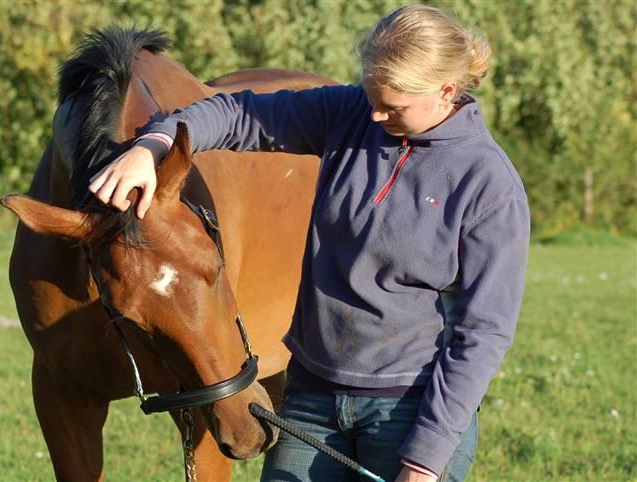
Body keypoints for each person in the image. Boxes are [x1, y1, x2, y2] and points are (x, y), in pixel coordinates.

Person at [89, 4, 530, 481]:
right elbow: (237, 112)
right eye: (371, 96)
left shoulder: (488, 185)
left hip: (410, 409)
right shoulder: (351, 114)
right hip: (312, 398)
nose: (376, 113)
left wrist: (426, 458)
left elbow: (482, 335)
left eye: (394, 106)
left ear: (447, 91)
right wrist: (152, 146)